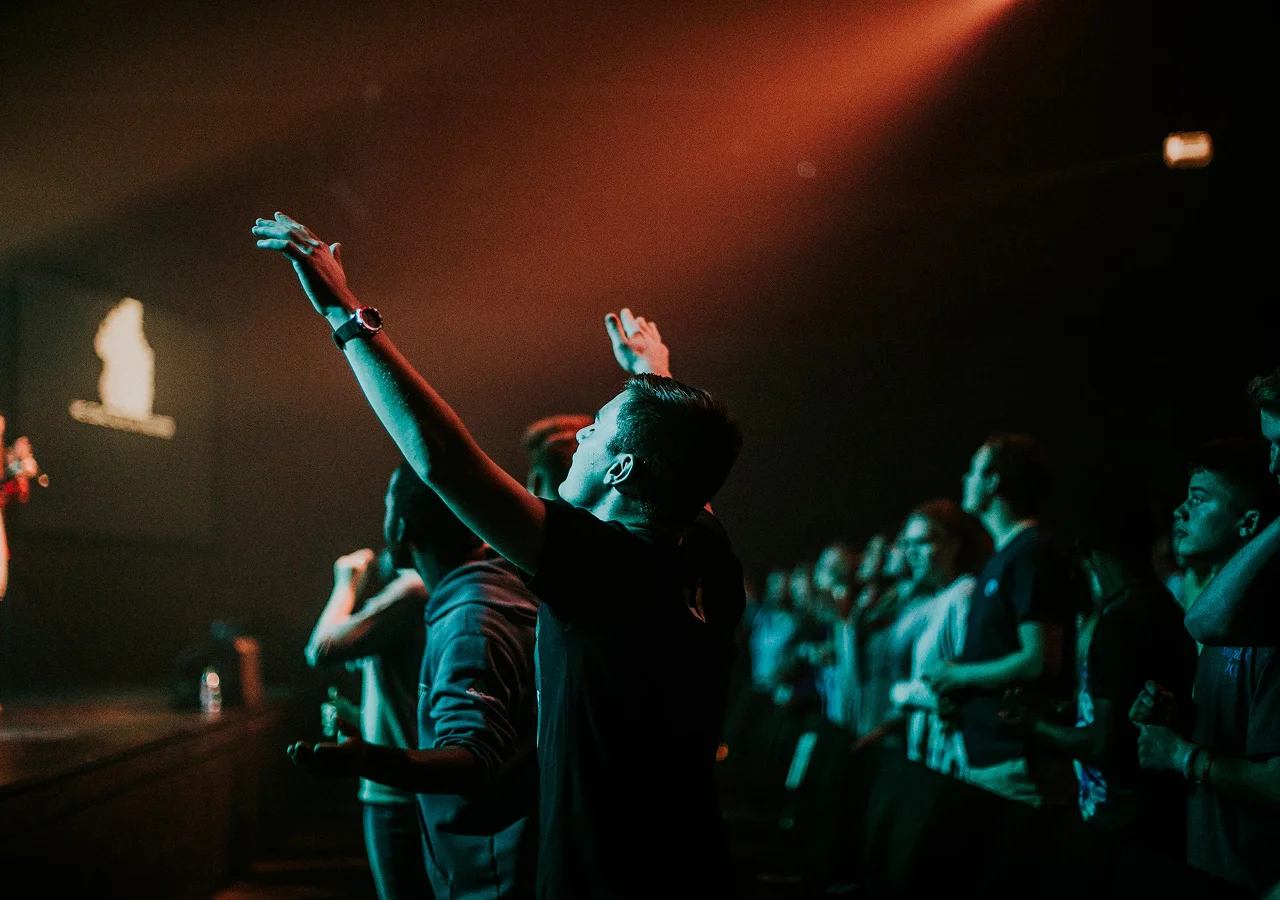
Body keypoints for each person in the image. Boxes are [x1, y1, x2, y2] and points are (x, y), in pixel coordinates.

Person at [256, 213, 745, 899]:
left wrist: (344, 313)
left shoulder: (606, 568)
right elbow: (686, 470)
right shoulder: (704, 554)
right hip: (690, 866)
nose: (582, 439)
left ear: (623, 469)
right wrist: (652, 379)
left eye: (598, 430)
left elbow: (445, 459)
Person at [292, 464, 540, 899]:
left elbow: (475, 757)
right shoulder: (497, 587)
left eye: (388, 505)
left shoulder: (466, 615)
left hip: (480, 862)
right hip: (492, 850)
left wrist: (367, 759)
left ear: (402, 526)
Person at [1004, 467, 1197, 843]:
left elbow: (1103, 743)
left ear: (1082, 549)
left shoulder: (1120, 621)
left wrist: (1034, 726)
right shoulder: (1162, 607)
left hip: (1124, 822)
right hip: (1152, 815)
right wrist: (1059, 710)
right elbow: (1120, 709)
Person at [1133, 437, 1280, 895]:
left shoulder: (1265, 630)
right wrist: (1180, 721)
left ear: (1248, 523)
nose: (1180, 511)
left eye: (1199, 499)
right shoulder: (1222, 621)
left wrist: (1182, 756)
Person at [927, 433, 1085, 807]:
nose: (965, 479)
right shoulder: (1003, 557)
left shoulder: (1031, 552)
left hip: (1017, 762)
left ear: (994, 481)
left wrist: (958, 676)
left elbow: (1038, 659)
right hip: (994, 760)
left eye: (973, 471)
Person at [303, 539, 430, 900]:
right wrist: (359, 718)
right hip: (404, 783)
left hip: (398, 794)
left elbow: (321, 649)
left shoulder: (412, 590)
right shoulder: (421, 588)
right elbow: (410, 695)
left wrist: (346, 583)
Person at [889, 499, 992, 776]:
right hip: (934, 754)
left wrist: (903, 693)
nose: (911, 553)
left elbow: (964, 685)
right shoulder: (937, 599)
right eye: (907, 544)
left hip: (952, 757)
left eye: (921, 542)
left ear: (952, 545)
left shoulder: (963, 594)